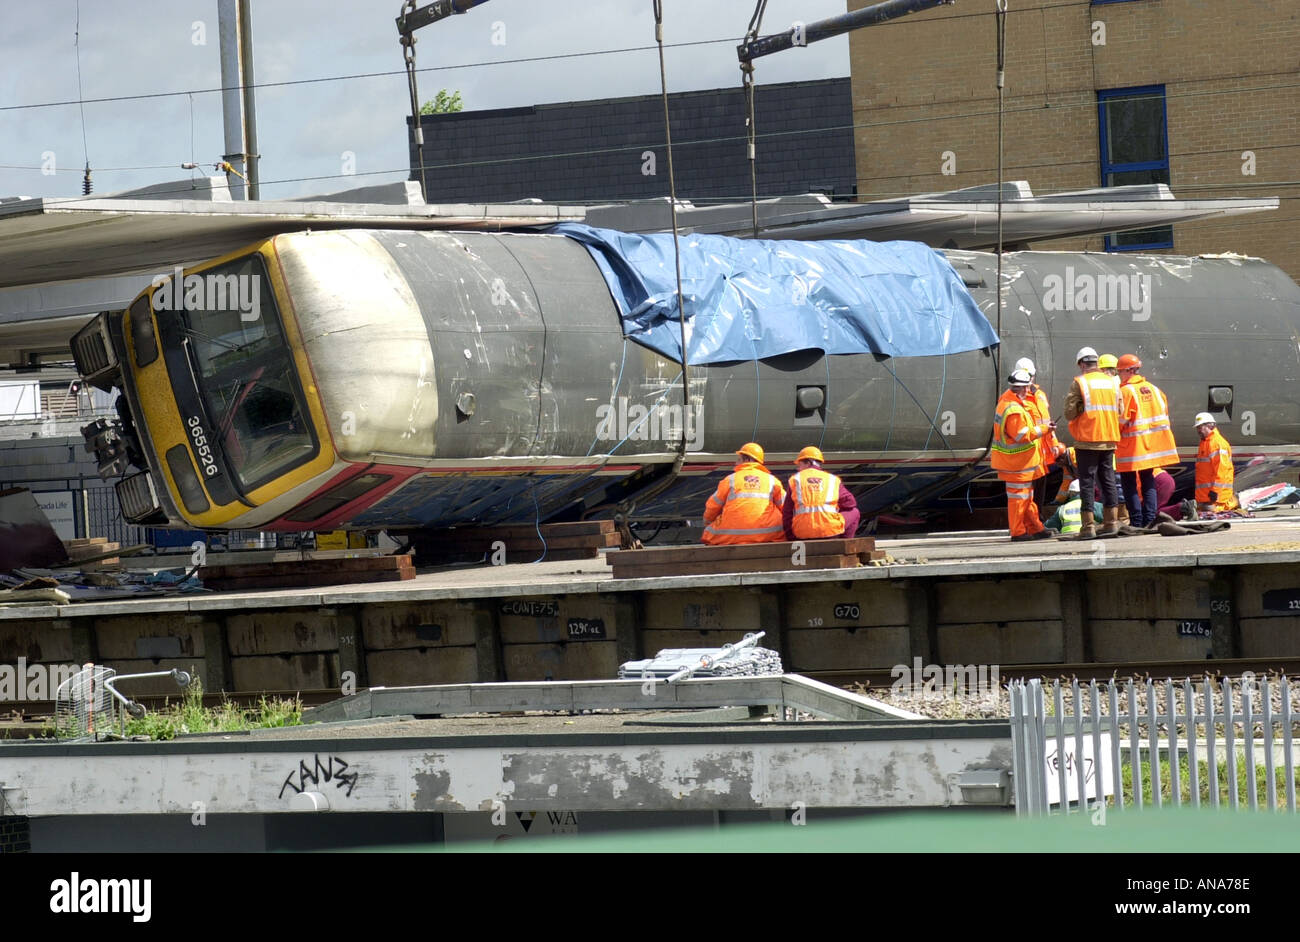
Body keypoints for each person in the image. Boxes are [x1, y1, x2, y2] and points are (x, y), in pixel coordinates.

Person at [1064, 346, 1122, 538]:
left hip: (1087, 439)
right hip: (1109, 438)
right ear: (1096, 363)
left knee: (1087, 483)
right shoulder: (1112, 383)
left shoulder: (1079, 382)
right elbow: (1119, 410)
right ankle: (1111, 522)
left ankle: (1088, 526)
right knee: (1108, 480)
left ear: (1081, 364)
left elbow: (1069, 413)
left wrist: (1080, 407)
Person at [992, 369, 1056, 541]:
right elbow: (1021, 435)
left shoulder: (1010, 402)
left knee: (1026, 498)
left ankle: (1036, 528)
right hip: (1016, 464)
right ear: (1020, 388)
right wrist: (1044, 429)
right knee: (1019, 500)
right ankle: (1018, 532)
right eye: (1027, 387)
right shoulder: (1013, 409)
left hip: (1018, 463)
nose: (1029, 391)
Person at [1115, 354, 1179, 527]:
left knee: (1129, 484)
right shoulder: (1155, 390)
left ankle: (1136, 521)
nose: (1119, 375)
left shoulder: (1126, 392)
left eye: (1120, 372)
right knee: (1148, 482)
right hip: (1153, 447)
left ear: (1128, 371)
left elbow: (1121, 420)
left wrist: (1111, 436)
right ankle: (1150, 519)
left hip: (1133, 447)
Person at [701, 442, 786, 544]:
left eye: (739, 459)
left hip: (731, 535)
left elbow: (712, 506)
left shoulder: (730, 480)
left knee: (708, 533)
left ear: (747, 460)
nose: (736, 463)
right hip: (768, 534)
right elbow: (785, 507)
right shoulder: (772, 480)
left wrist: (708, 522)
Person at [1015, 357, 1063, 514]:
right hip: (1027, 451)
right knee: (1027, 490)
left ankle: (1038, 521)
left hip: (1041, 451)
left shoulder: (1039, 395)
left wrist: (1054, 443)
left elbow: (1046, 420)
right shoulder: (1015, 399)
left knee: (1040, 487)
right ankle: (1029, 523)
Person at [782, 446, 860, 540]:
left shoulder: (795, 479)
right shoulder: (832, 479)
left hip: (802, 533)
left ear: (808, 462)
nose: (798, 468)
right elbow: (851, 503)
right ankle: (843, 545)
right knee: (855, 512)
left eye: (800, 465)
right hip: (829, 531)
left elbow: (787, 512)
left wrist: (791, 538)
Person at [1193, 413, 1238, 513]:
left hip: (1216, 498)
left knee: (1209, 511)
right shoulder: (1205, 443)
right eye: (1197, 428)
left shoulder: (1217, 444)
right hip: (1205, 498)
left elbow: (1221, 471)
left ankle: (1232, 502)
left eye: (1200, 427)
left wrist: (1215, 492)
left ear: (1209, 426)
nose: (1198, 430)